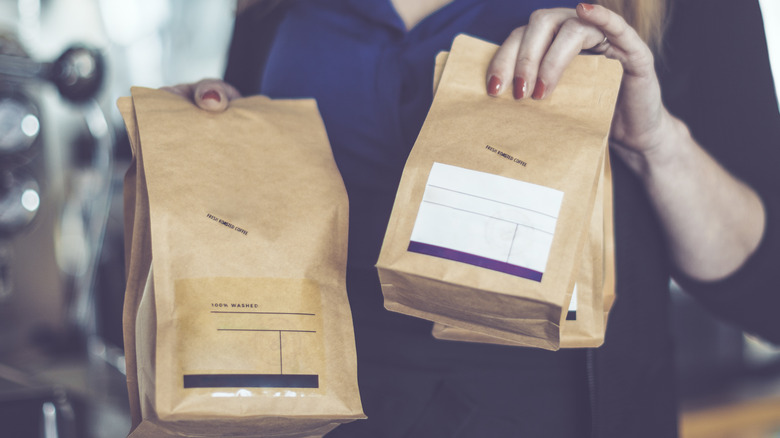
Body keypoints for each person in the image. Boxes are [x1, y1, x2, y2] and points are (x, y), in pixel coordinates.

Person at [163, 0, 780, 436]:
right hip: (307, 412)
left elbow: (768, 291)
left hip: (546, 416)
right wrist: (224, 135)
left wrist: (657, 143)